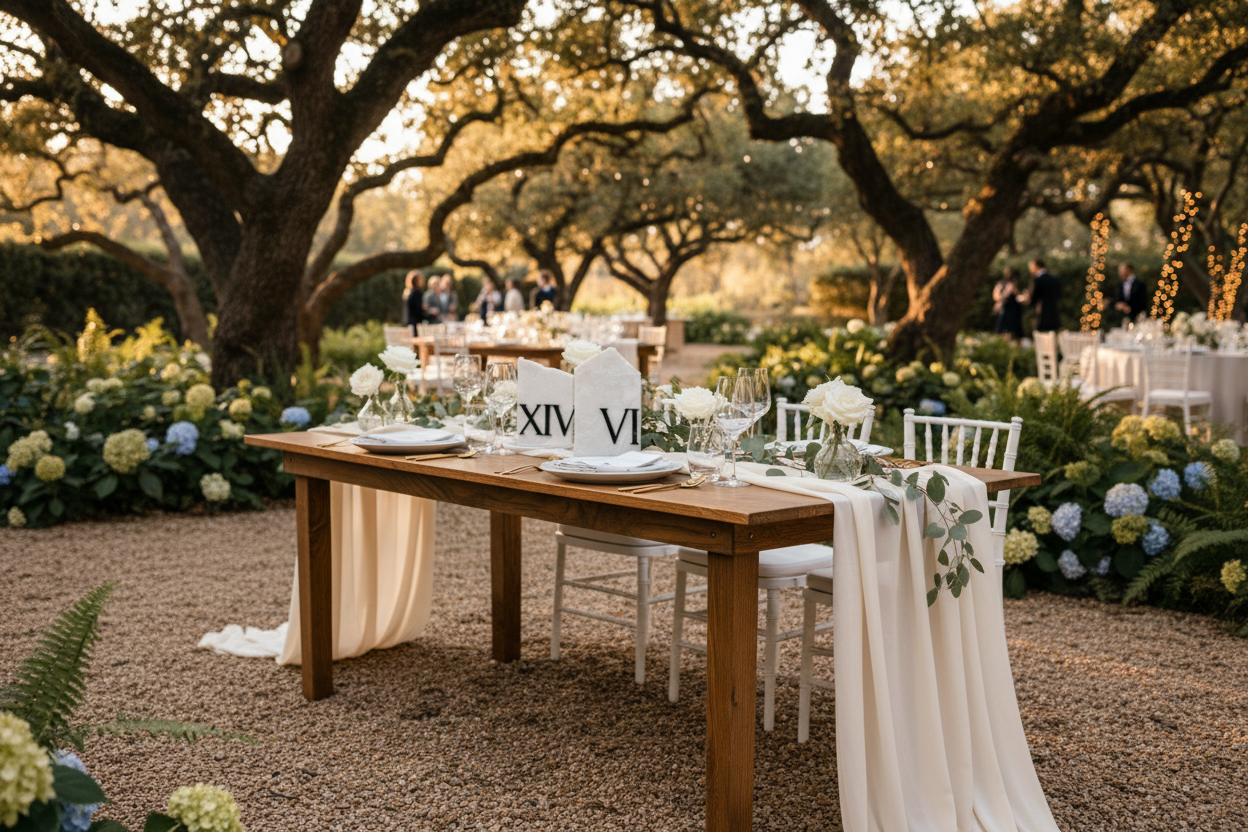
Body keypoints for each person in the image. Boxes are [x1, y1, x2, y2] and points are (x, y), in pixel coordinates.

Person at [1022, 258, 1061, 333]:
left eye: (1031, 267)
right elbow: (1058, 295)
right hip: (1053, 313)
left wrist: (1027, 298)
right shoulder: (1054, 279)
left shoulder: (1037, 280)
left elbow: (1034, 298)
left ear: (1037, 266)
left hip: (1042, 314)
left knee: (1042, 336)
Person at [992, 267, 1025, 340]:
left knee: (1014, 333)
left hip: (1011, 311)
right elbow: (996, 296)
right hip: (1007, 311)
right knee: (1006, 331)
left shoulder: (1002, 285)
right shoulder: (1003, 285)